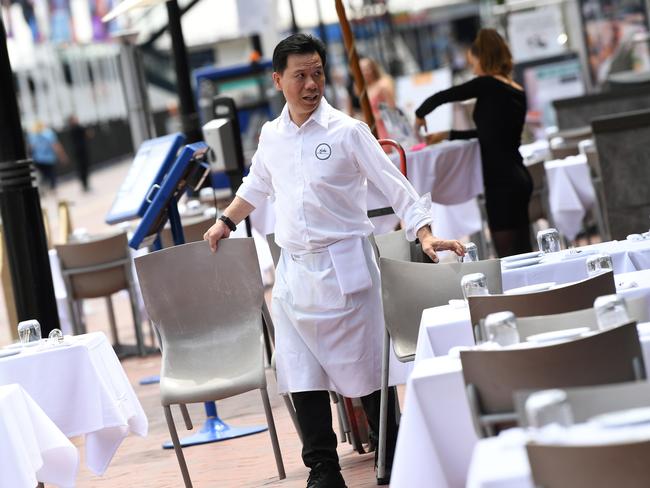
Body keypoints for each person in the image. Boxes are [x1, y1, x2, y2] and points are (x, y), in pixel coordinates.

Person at [204, 34, 465, 488]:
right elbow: (256, 185)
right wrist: (225, 221)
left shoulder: (347, 131)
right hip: (294, 275)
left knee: (367, 371)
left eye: (318, 73)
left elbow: (395, 185)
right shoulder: (271, 135)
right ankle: (322, 467)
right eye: (300, 75)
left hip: (347, 269)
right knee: (300, 372)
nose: (311, 84)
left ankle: (395, 453)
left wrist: (424, 232)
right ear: (278, 80)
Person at [414, 28, 534, 257]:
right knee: (525, 252)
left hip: (501, 182)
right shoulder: (516, 89)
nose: (473, 68)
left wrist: (420, 115)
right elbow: (491, 135)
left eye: (473, 63)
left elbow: (444, 96)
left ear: (482, 57)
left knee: (507, 257)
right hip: (518, 176)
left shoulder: (487, 84)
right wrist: (447, 134)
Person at [359, 56, 396, 142]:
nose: (364, 72)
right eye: (361, 70)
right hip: (371, 128)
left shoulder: (383, 84)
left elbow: (392, 108)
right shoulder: (364, 88)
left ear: (373, 69)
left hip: (385, 128)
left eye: (366, 69)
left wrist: (373, 117)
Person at [27, 120, 68, 191]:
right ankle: (52, 188)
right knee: (51, 175)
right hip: (49, 159)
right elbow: (56, 146)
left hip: (38, 159)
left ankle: (46, 186)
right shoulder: (49, 133)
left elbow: (30, 148)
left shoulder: (32, 135)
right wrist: (62, 156)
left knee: (44, 175)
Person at [66, 115, 92, 192]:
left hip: (79, 151)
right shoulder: (78, 128)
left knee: (83, 168)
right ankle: (85, 184)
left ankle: (85, 184)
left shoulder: (72, 129)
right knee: (83, 168)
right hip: (80, 151)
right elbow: (89, 135)